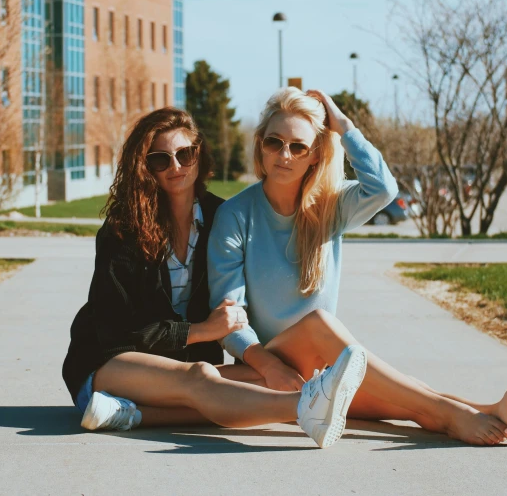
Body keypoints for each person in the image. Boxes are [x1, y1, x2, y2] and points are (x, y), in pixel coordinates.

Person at [208, 88, 507, 446]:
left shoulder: (332, 206)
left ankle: (493, 411)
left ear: (315, 155)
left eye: (298, 146)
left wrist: (345, 127)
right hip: (269, 365)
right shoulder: (235, 215)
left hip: (322, 366)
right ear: (260, 145)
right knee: (323, 325)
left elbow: (383, 189)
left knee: (406, 402)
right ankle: (455, 415)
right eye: (274, 142)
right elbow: (229, 318)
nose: (284, 154)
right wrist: (269, 365)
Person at [61, 107, 368, 449]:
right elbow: (116, 331)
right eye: (161, 159)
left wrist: (343, 129)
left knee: (272, 377)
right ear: (145, 167)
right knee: (202, 377)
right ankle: (304, 408)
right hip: (111, 362)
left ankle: (129, 414)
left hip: (178, 368)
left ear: (199, 153)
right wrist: (203, 331)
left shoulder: (221, 217)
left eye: (185, 154)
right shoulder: (122, 232)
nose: (176, 167)